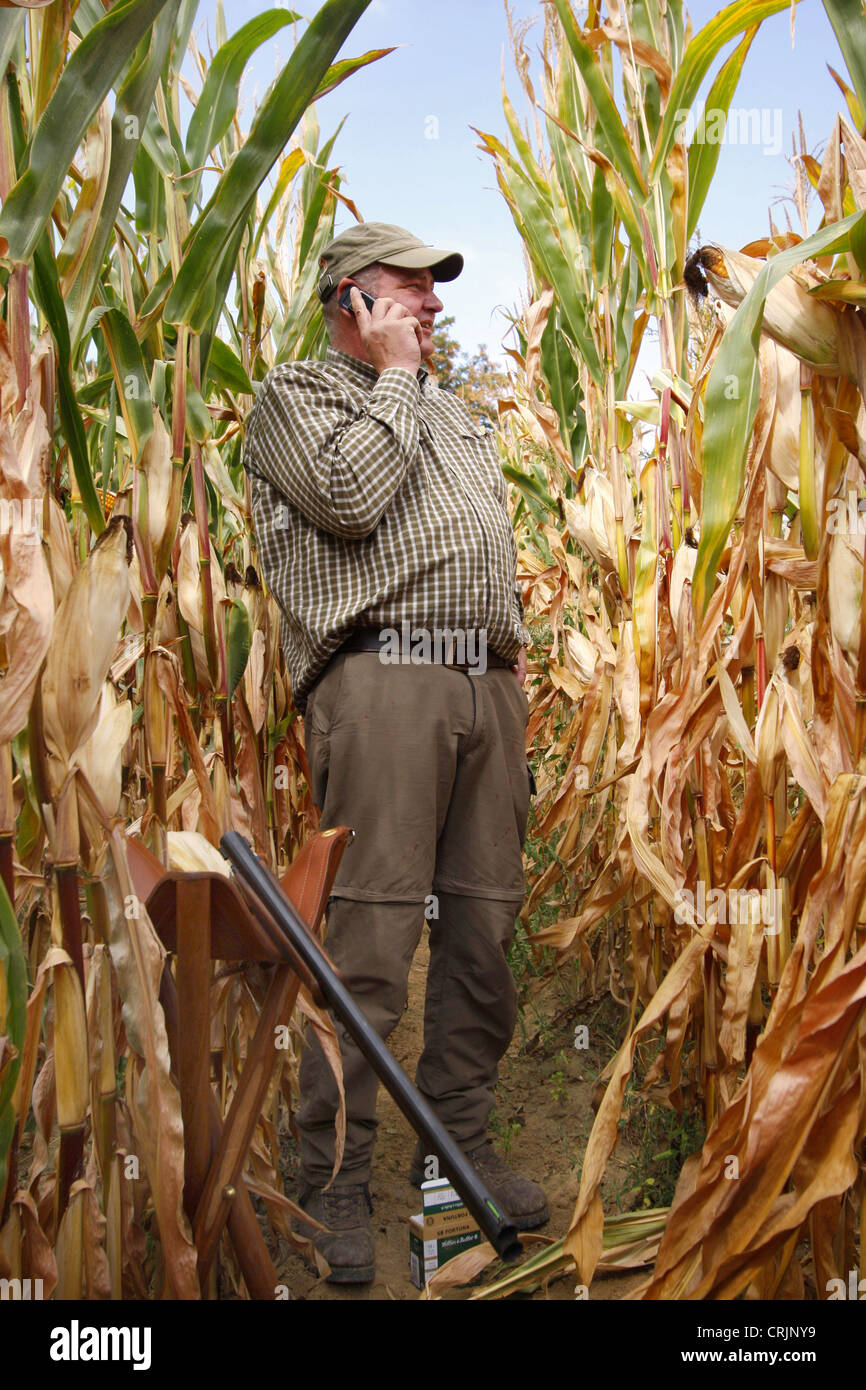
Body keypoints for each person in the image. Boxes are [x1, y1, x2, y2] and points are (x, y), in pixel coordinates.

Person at [243, 222, 548, 1284]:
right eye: (405, 291)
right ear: (349, 305)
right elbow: (348, 500)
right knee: (370, 939)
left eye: (430, 293)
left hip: (481, 686)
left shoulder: (454, 418)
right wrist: (393, 380)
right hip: (378, 680)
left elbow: (485, 541)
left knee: (480, 922)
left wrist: (508, 662)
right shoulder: (299, 399)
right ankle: (329, 1171)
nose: (428, 306)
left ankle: (456, 1138)